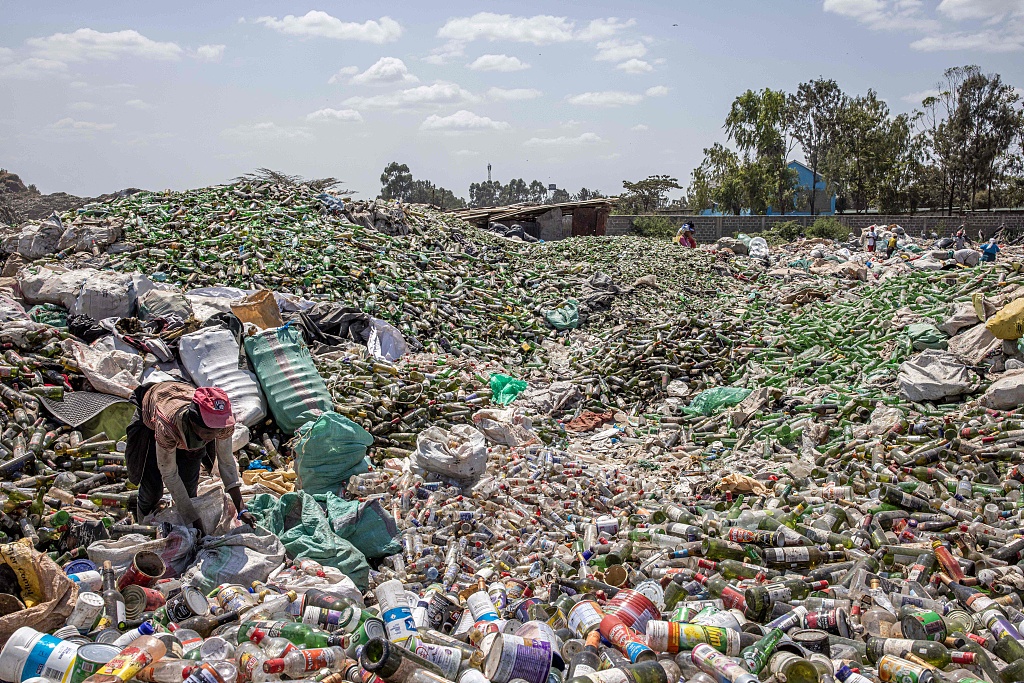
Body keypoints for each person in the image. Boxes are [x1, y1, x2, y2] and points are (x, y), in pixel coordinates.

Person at [125, 382, 255, 533]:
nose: (214, 436)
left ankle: (186, 529)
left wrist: (241, 507)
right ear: (193, 422)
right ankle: (144, 526)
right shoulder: (167, 425)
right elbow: (169, 473)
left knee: (189, 490)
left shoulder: (223, 424)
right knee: (152, 490)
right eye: (208, 432)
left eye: (217, 430)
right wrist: (192, 518)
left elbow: (226, 462)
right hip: (152, 423)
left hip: (186, 430)